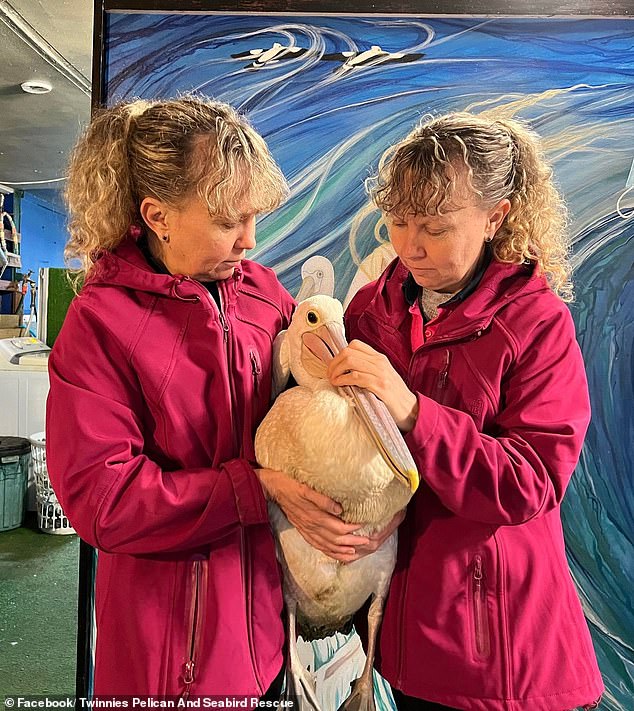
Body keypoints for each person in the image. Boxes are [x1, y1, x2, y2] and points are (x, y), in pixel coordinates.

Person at [46, 95, 362, 698]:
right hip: (168, 659)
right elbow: (101, 499)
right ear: (157, 215)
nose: (249, 239)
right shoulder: (100, 324)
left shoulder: (268, 296)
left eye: (253, 216)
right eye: (225, 220)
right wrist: (251, 490)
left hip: (269, 641)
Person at [326, 112, 604, 711]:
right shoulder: (374, 308)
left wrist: (411, 412)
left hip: (501, 655)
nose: (409, 246)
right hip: (404, 638)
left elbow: (529, 482)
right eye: (398, 222)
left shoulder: (537, 322)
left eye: (434, 226)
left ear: (495, 216)